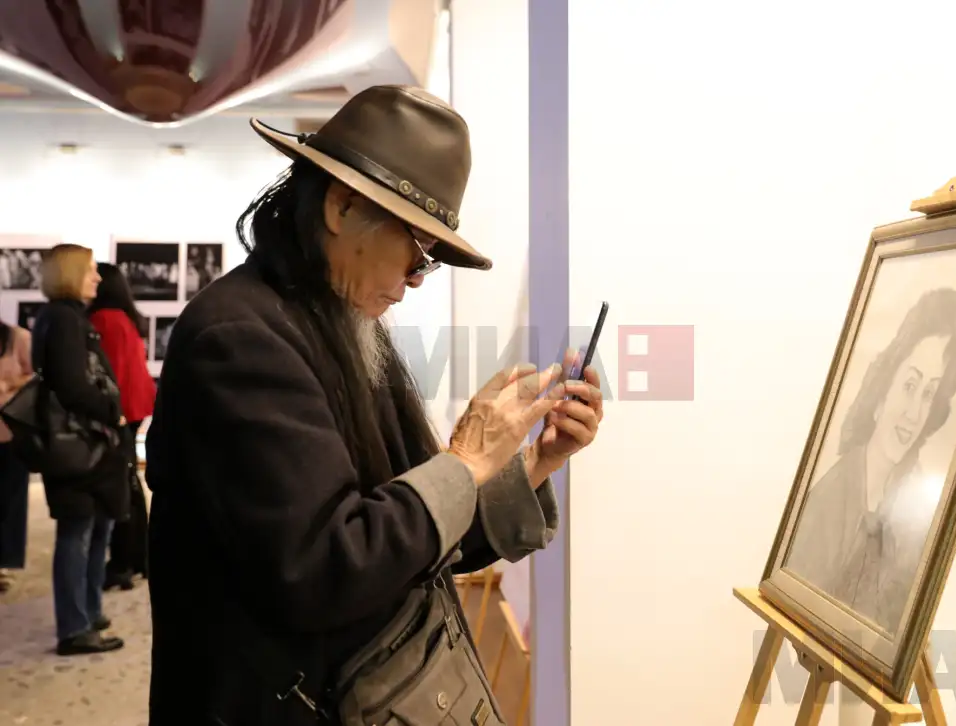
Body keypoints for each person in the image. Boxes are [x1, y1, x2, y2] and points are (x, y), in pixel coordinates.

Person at [145, 85, 604, 726]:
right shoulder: (240, 339)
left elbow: (412, 541)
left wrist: (530, 463)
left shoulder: (337, 320)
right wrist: (465, 462)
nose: (414, 280)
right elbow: (324, 571)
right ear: (341, 205)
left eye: (427, 263)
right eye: (417, 251)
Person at [785, 287, 956, 634]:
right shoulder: (829, 500)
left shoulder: (916, 512)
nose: (914, 412)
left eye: (928, 393)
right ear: (884, 389)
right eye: (909, 386)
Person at [36, 244, 130, 655]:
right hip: (79, 446)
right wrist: (113, 413)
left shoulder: (63, 318)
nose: (98, 277)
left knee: (92, 529)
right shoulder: (65, 320)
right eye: (90, 270)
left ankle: (88, 613)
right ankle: (76, 626)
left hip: (83, 444)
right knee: (78, 532)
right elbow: (73, 386)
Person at [88, 262, 156, 590]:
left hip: (123, 409)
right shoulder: (125, 317)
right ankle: (137, 557)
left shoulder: (104, 319)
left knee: (123, 487)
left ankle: (124, 561)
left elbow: (110, 373)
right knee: (129, 484)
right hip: (135, 406)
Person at [0, 319, 32, 593]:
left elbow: (36, 376)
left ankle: (4, 563)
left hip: (10, 431)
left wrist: (7, 384)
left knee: (10, 499)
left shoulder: (17, 337)